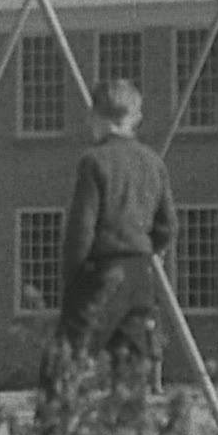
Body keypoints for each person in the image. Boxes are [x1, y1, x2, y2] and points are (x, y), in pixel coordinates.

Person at [42, 79, 177, 394]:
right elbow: (168, 226)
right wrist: (148, 251)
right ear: (136, 118)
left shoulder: (95, 161)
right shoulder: (153, 163)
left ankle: (53, 422)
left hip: (104, 271)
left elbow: (81, 228)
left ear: (95, 117)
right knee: (130, 368)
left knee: (65, 361)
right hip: (140, 275)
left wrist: (73, 278)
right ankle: (128, 422)